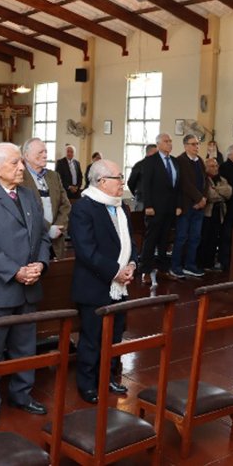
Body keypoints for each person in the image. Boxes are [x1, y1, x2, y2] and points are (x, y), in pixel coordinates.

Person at [0, 143, 51, 430]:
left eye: (20, 162)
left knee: (25, 347)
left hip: (29, 286)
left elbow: (43, 236)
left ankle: (20, 394)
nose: (21, 167)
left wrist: (40, 264)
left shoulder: (28, 195)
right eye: (15, 162)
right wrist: (15, 271)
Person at [70, 159, 136, 405]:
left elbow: (131, 244)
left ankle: (107, 377)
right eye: (119, 177)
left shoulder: (120, 207)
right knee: (92, 338)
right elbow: (86, 251)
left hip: (119, 287)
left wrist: (131, 266)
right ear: (102, 182)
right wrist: (115, 272)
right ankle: (87, 384)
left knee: (114, 336)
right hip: (94, 286)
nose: (122, 182)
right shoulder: (83, 209)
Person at [21, 138, 71, 259]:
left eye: (46, 152)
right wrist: (48, 229)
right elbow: (24, 210)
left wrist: (58, 227)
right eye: (40, 152)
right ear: (27, 156)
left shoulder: (53, 176)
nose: (45, 155)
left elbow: (65, 205)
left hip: (55, 241)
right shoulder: (20, 177)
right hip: (31, 242)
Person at [140, 133, 180, 284]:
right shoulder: (151, 161)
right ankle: (145, 270)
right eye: (166, 141)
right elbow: (146, 185)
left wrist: (178, 205)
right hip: (155, 208)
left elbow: (177, 186)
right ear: (158, 144)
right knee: (151, 239)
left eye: (170, 141)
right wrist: (148, 205)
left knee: (165, 240)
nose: (169, 144)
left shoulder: (175, 162)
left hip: (170, 208)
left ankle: (163, 269)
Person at [171, 134, 208, 278]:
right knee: (181, 237)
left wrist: (203, 198)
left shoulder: (200, 161)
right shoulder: (180, 160)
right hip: (186, 205)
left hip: (199, 205)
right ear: (185, 146)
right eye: (193, 144)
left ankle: (190, 265)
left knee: (195, 237)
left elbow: (205, 182)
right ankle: (175, 266)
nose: (196, 147)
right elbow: (185, 183)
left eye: (197, 144)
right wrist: (199, 198)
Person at [196, 157, 232, 271]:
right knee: (204, 238)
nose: (215, 168)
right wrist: (219, 193)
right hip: (207, 213)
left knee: (214, 239)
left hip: (219, 213)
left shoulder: (222, 179)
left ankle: (210, 263)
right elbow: (210, 196)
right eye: (212, 166)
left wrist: (216, 190)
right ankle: (201, 263)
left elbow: (229, 193)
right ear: (206, 168)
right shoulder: (203, 179)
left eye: (216, 166)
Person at [127, 143, 157, 211]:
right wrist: (137, 192)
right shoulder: (139, 165)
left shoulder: (159, 166)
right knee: (140, 218)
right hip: (142, 199)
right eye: (154, 153)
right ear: (148, 153)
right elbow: (131, 182)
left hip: (156, 200)